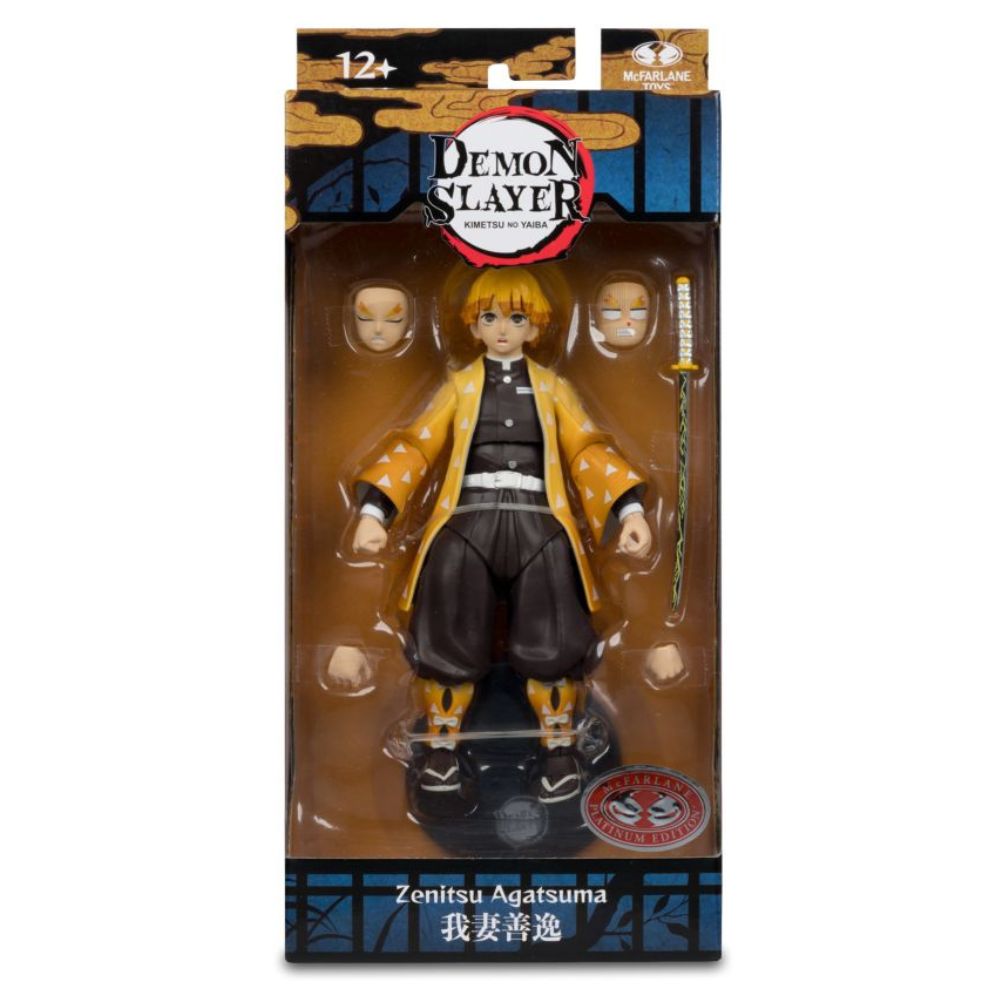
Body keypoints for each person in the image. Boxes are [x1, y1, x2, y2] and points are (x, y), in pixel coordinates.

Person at [350, 267, 652, 815]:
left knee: (554, 636)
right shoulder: (459, 387)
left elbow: (586, 448)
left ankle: (558, 753)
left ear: (535, 328)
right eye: (490, 317)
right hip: (467, 519)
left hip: (540, 522)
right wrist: (376, 512)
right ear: (474, 326)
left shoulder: (553, 388)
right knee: (447, 633)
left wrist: (628, 508)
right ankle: (442, 751)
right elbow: (417, 445)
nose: (503, 329)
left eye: (516, 318)